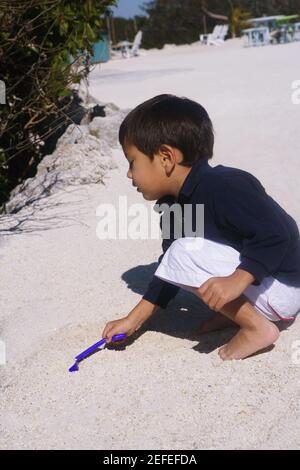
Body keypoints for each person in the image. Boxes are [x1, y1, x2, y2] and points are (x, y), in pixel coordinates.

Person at [102, 94, 300, 361]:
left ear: (165, 157)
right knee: (179, 253)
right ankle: (238, 314)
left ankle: (256, 328)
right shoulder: (171, 206)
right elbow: (170, 268)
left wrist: (237, 280)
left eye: (132, 162)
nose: (129, 174)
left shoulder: (225, 185)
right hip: (266, 291)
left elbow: (280, 234)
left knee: (183, 251)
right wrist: (133, 320)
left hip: (283, 287)